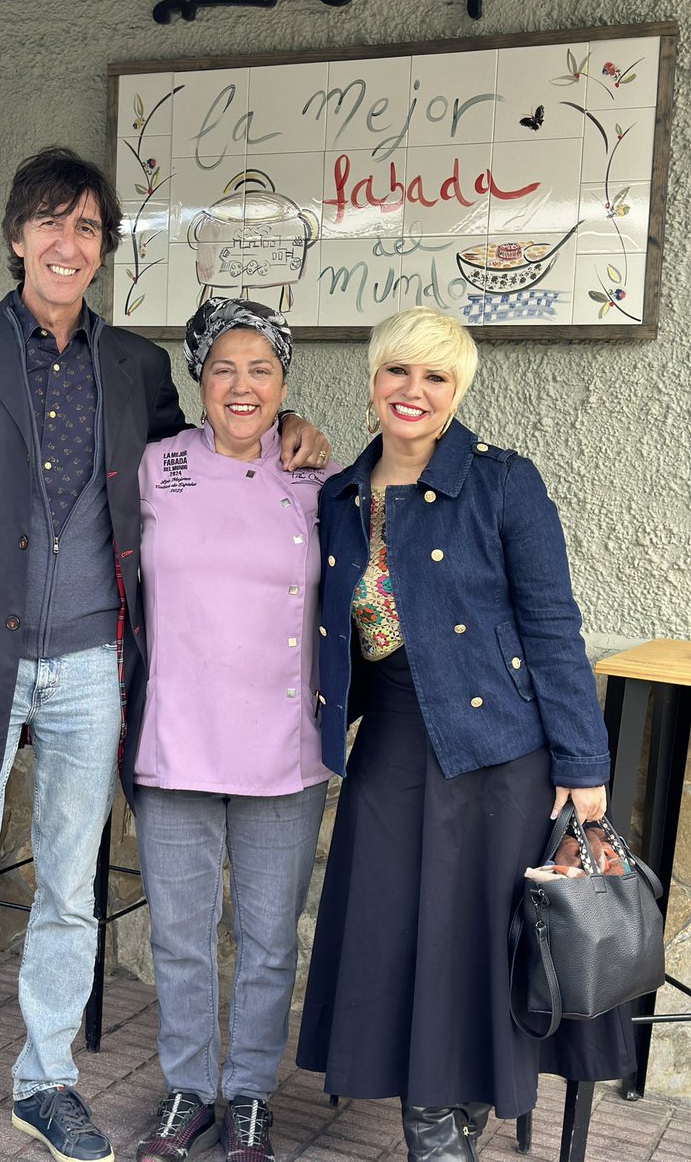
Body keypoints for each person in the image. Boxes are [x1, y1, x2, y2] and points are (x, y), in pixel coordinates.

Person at [0, 148, 329, 1162]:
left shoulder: (133, 369)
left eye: (86, 228)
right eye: (49, 222)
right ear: (15, 238)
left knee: (72, 893)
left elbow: (210, 453)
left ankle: (47, 1086)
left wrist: (290, 422)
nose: (66, 243)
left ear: (104, 251)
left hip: (91, 669)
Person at [295, 307, 634, 1160]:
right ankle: (444, 1108)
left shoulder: (502, 482)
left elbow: (554, 626)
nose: (413, 391)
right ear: (372, 381)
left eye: (435, 378)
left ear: (457, 393)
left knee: (478, 941)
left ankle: (443, 1123)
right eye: (397, 373)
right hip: (393, 742)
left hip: (499, 749)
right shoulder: (339, 495)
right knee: (394, 931)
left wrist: (585, 768)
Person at [131, 298, 338, 1162]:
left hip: (284, 749)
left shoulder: (318, 481)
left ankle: (249, 1091)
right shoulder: (153, 467)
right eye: (224, 368)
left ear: (285, 385)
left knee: (264, 938)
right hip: (175, 740)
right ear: (198, 380)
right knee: (179, 935)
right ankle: (187, 1091)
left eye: (262, 370)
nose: (242, 386)